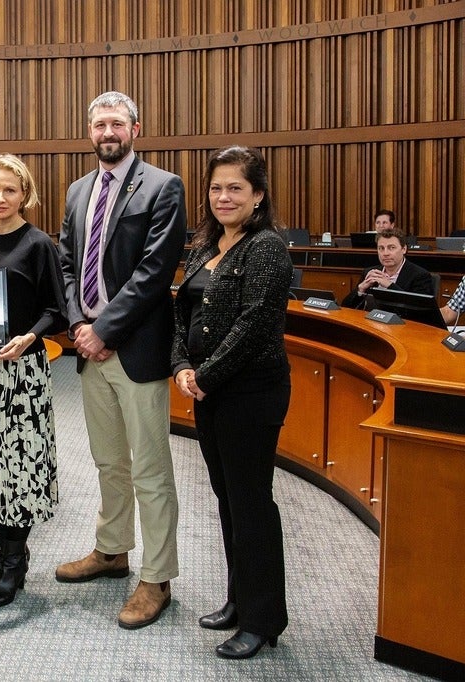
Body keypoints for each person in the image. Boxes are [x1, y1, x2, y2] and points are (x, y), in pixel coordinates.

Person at [57, 91, 185, 629]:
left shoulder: (163, 186)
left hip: (137, 350)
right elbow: (66, 262)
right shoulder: (78, 189)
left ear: (137, 127)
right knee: (110, 462)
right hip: (91, 351)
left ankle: (156, 577)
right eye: (99, 124)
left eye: (117, 123)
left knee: (150, 468)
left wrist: (105, 329)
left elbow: (156, 271)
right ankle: (112, 551)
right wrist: (81, 329)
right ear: (90, 132)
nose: (108, 131)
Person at [171, 146, 293, 660]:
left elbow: (254, 324)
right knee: (227, 498)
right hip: (209, 389)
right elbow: (181, 312)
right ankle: (238, 600)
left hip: (250, 392)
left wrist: (205, 377)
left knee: (251, 503)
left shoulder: (265, 248)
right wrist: (181, 365)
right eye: (216, 187)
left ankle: (263, 618)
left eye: (235, 188)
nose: (223, 196)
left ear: (258, 195)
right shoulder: (204, 245)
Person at [0, 154, 68, 608]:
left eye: (9, 189)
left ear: (24, 193)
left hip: (22, 372)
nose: (0, 198)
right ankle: (5, 553)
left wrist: (29, 338)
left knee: (18, 466)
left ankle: (15, 561)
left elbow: (57, 310)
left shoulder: (39, 243)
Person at [340, 227, 435, 308]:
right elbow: (345, 308)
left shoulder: (420, 275)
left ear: (404, 249)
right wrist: (360, 289)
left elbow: (419, 309)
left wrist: (389, 285)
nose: (385, 253)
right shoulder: (369, 272)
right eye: (381, 248)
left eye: (391, 248)